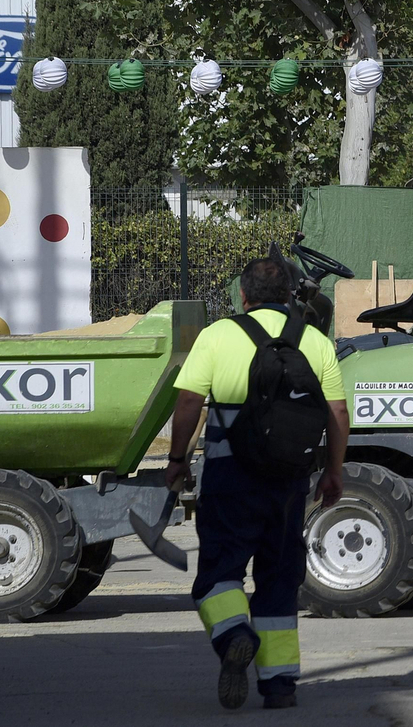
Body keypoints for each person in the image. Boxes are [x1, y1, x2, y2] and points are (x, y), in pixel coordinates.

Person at [165, 258, 350, 710]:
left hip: (230, 476)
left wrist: (177, 459)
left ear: (243, 296)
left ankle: (233, 634)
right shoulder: (313, 340)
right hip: (289, 479)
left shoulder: (218, 335)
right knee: (279, 578)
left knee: (218, 573)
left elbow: (188, 402)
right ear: (288, 294)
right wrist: (333, 470)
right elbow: (338, 413)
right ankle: (280, 685)